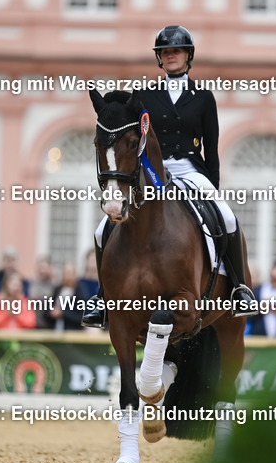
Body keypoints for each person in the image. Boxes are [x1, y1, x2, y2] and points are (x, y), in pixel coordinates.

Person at [82, 25, 257, 328]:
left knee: (228, 218)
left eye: (176, 51)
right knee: (101, 231)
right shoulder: (145, 95)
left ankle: (239, 288)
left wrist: (213, 187)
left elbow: (212, 147)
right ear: (159, 58)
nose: (171, 56)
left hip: (190, 169)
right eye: (165, 52)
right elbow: (119, 111)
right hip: (153, 171)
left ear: (188, 56)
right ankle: (101, 298)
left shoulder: (203, 98)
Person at [30, 255, 58, 330]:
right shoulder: (31, 283)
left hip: (48, 324)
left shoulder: (53, 285)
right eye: (41, 267)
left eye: (45, 268)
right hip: (33, 323)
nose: (42, 270)